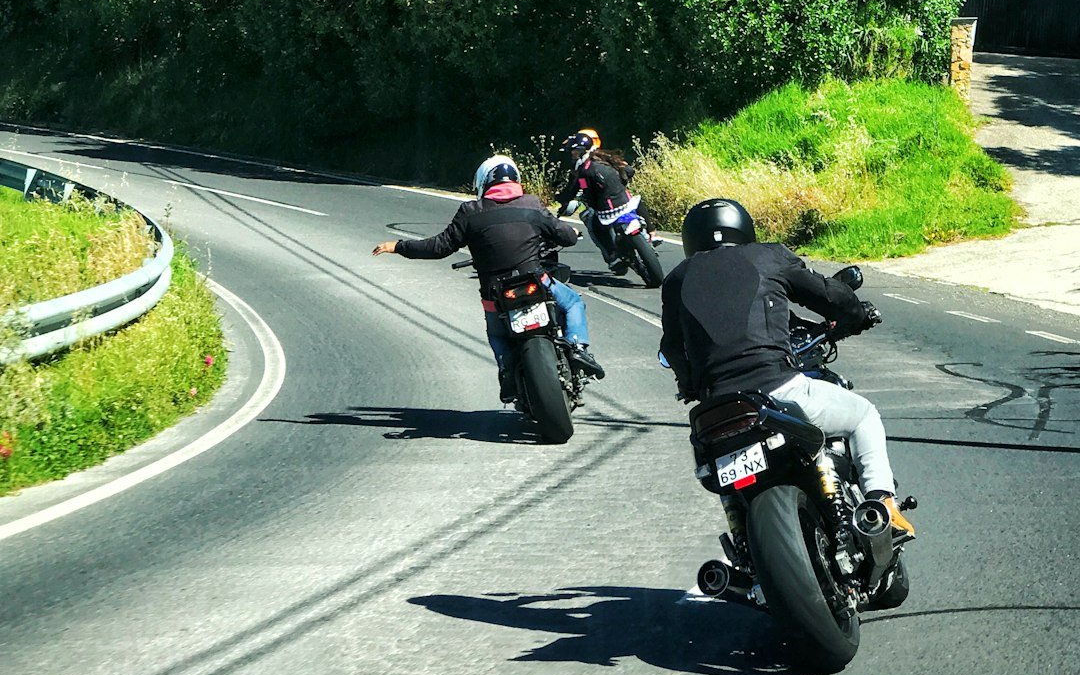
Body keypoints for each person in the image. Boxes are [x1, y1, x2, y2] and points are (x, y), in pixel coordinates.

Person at [659, 196, 915, 536]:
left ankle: (742, 547)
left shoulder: (677, 279)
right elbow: (826, 294)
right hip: (779, 389)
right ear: (743, 227)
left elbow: (673, 347)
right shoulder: (768, 255)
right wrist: (855, 314)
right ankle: (883, 506)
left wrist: (689, 384)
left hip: (715, 411)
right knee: (863, 415)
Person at [373, 154, 605, 403]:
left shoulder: (470, 211)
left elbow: (439, 246)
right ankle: (579, 349)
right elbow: (567, 237)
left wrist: (398, 246)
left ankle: (507, 371)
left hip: (496, 293)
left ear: (483, 183)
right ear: (516, 179)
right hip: (536, 281)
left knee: (497, 334)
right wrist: (570, 231)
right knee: (572, 303)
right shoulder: (532, 204)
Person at [557, 129, 657, 275]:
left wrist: (559, 198)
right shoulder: (606, 157)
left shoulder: (583, 170)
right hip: (625, 202)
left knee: (593, 223)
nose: (573, 155)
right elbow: (629, 170)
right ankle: (652, 232)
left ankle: (612, 254)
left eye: (575, 151)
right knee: (634, 199)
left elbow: (573, 191)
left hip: (606, 211)